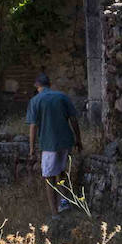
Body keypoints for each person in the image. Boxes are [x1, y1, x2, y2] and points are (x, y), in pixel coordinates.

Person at [26, 73, 83, 215]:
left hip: (49, 143)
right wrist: (78, 139)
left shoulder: (35, 101)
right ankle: (64, 204)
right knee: (61, 173)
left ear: (36, 85)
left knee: (49, 177)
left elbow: (33, 126)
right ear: (49, 84)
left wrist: (32, 148)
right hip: (66, 141)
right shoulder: (62, 96)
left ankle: (54, 213)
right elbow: (73, 120)